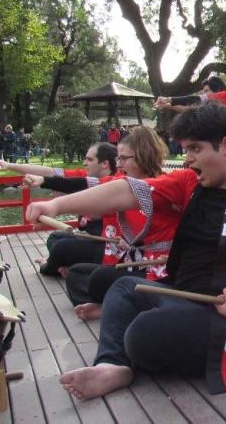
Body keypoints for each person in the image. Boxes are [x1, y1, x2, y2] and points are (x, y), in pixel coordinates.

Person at [25, 102, 226, 399]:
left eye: (195, 149)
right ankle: (113, 364)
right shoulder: (192, 181)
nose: (188, 159)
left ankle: (132, 349)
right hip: (184, 294)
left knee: (143, 333)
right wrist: (56, 205)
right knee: (124, 287)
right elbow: (126, 190)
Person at [58, 127, 171, 320]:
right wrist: (44, 183)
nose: (119, 164)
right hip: (131, 259)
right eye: (118, 159)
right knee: (78, 273)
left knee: (100, 278)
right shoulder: (123, 181)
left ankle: (111, 307)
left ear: (142, 156)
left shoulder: (167, 186)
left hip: (158, 268)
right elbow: (83, 187)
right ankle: (113, 305)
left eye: (123, 159)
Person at [24, 142, 118, 277]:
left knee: (60, 248)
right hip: (89, 238)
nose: (84, 163)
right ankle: (69, 267)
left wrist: (44, 181)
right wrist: (8, 166)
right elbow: (56, 174)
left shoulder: (115, 183)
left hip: (107, 245)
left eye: (89, 159)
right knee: (55, 238)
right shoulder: (90, 178)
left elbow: (74, 184)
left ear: (104, 164)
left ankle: (47, 266)